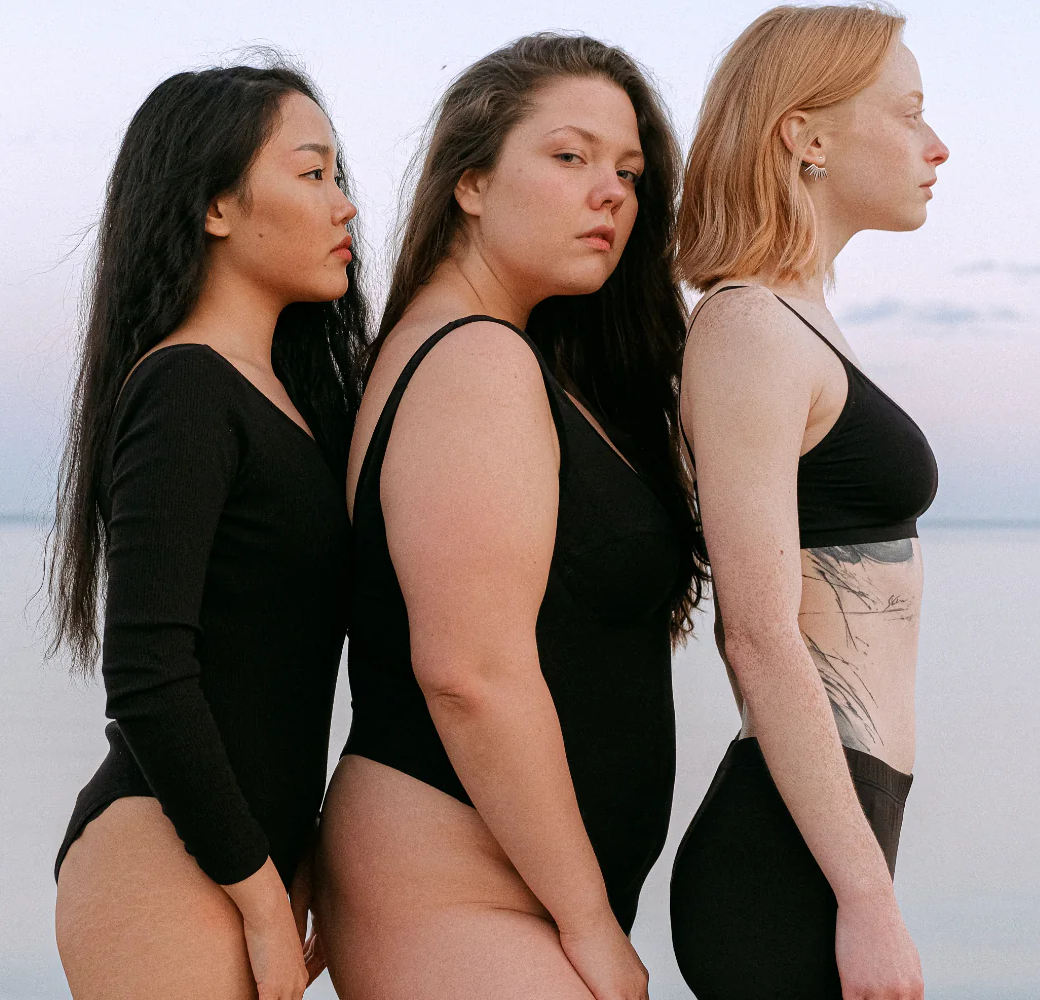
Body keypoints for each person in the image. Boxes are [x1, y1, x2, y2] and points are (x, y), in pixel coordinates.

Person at [315, 33, 706, 1000]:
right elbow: (470, 674)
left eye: (628, 171)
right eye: (570, 157)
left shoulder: (511, 359)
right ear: (473, 181)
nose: (611, 191)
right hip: (457, 895)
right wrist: (590, 929)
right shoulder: (475, 361)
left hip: (506, 898)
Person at [45, 61, 370, 1000]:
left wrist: (296, 858)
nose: (345, 205)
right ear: (216, 207)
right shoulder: (186, 387)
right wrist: (264, 901)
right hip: (165, 853)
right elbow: (147, 674)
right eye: (312, 174)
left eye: (338, 174)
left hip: (244, 858)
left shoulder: (298, 409)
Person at [668, 6, 949, 999]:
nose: (937, 145)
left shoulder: (798, 319)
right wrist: (869, 905)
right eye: (909, 112)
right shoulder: (748, 327)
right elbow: (758, 634)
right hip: (783, 866)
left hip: (840, 831)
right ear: (807, 135)